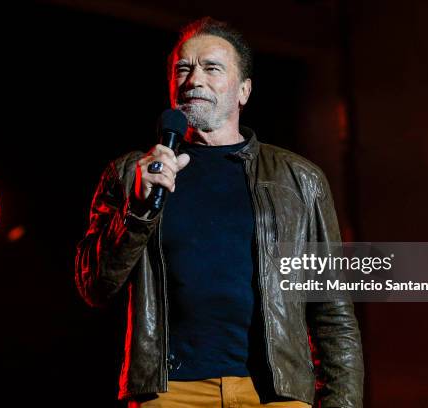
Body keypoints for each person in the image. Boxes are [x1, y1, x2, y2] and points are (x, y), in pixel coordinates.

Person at [75, 16, 364, 408]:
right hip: (170, 393)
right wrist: (138, 209)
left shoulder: (300, 179)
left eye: (212, 68)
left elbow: (333, 313)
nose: (195, 79)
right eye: (183, 69)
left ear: (243, 90)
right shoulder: (131, 174)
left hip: (273, 393)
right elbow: (94, 285)